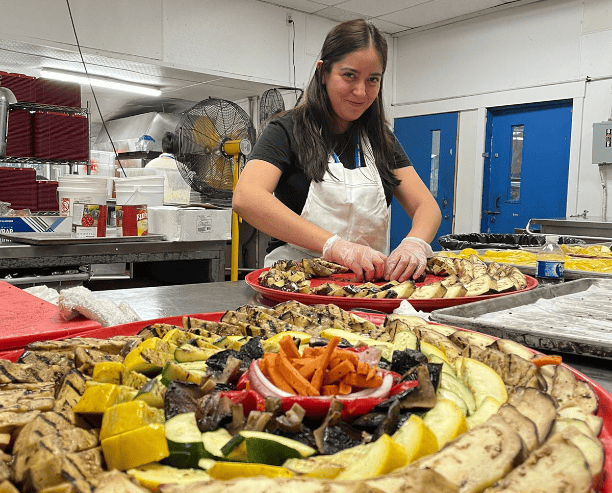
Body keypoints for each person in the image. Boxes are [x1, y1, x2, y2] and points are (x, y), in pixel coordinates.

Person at [233, 19, 441, 282]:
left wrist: (414, 243)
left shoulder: (380, 139)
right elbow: (247, 197)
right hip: (296, 284)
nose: (360, 91)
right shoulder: (287, 129)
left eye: (372, 80)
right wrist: (335, 246)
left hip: (367, 287)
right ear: (323, 72)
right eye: (349, 75)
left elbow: (427, 207)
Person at [145, 131, 190, 204]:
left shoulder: (150, 165)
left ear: (162, 149)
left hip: (155, 208)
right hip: (177, 208)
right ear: (177, 151)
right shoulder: (182, 167)